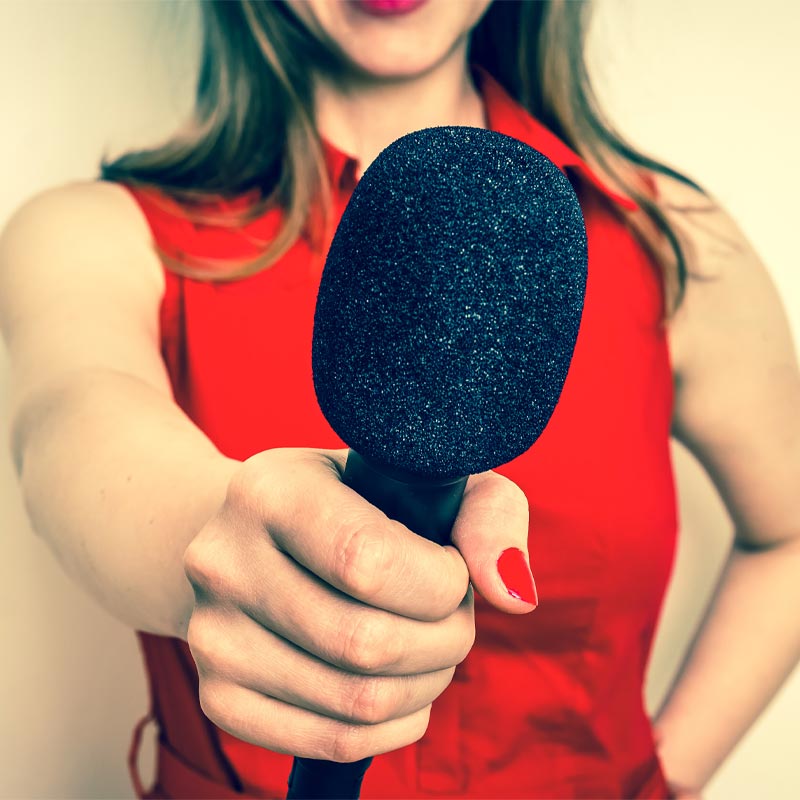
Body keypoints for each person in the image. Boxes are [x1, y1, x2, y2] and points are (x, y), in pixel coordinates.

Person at [1, 1, 798, 798]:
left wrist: (672, 777)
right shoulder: (95, 233)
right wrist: (228, 540)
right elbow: (70, 427)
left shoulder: (675, 241)